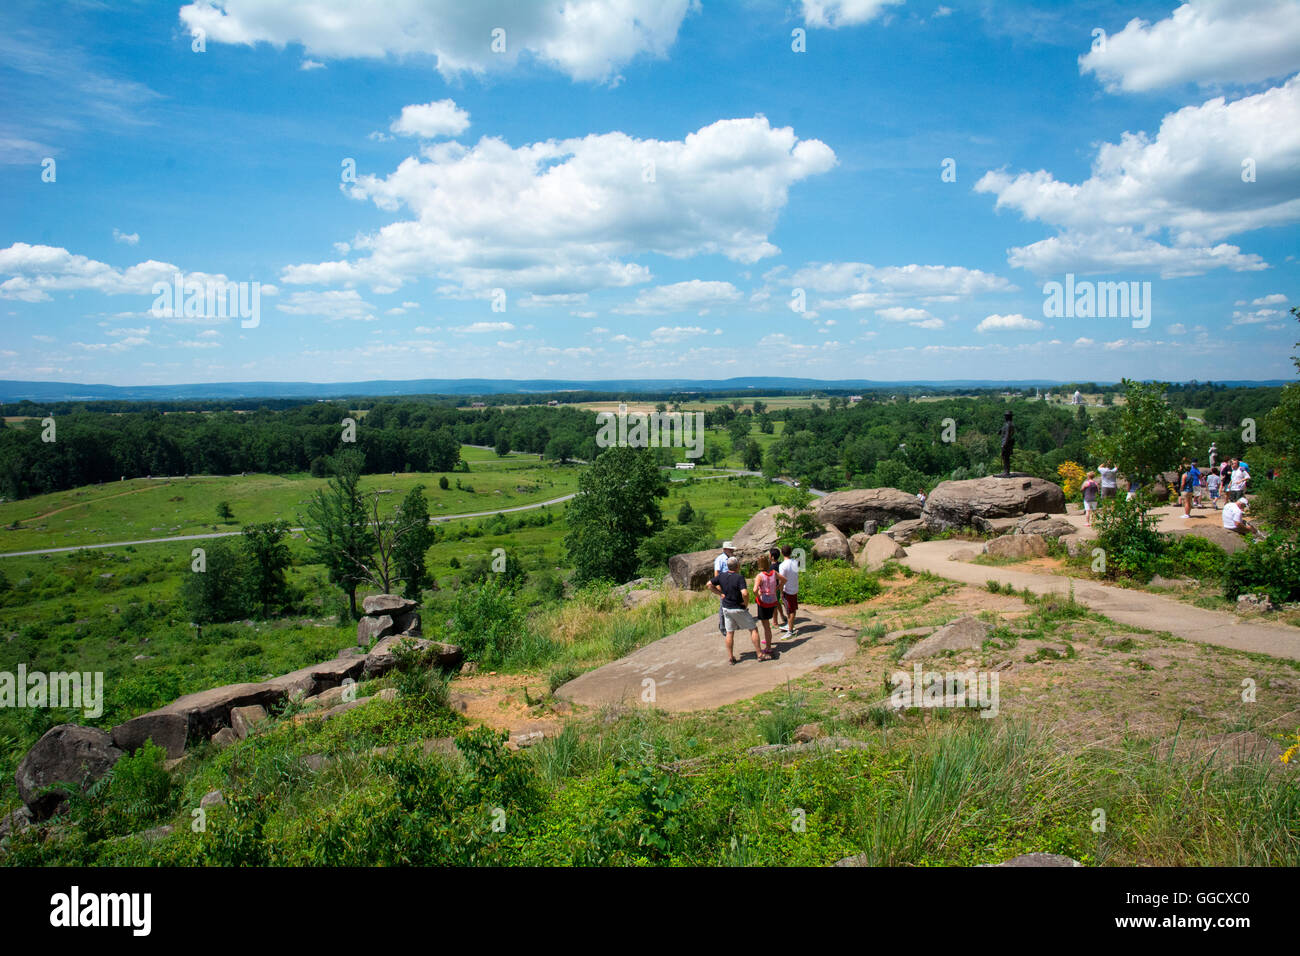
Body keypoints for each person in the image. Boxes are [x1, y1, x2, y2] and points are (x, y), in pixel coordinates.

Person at [707, 555, 767, 664]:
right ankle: (759, 654)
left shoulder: (721, 576)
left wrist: (720, 594)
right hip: (738, 608)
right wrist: (745, 603)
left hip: (726, 608)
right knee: (753, 629)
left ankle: (731, 657)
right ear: (737, 566)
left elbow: (709, 584)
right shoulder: (739, 578)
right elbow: (744, 593)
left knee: (729, 633)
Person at [752, 553, 782, 656]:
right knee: (768, 625)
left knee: (766, 626)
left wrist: (758, 596)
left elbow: (755, 589)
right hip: (773, 600)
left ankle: (768, 647)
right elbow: (784, 579)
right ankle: (768, 642)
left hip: (764, 602)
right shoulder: (774, 573)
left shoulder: (760, 576)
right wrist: (777, 587)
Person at [713, 541, 735, 641]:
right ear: (725, 549)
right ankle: (722, 626)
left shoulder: (731, 559)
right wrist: (718, 587)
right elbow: (716, 573)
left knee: (731, 603)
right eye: (730, 549)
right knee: (723, 605)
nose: (732, 551)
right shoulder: (720, 559)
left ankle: (730, 622)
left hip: (731, 584)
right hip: (723, 585)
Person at [778, 544, 800, 638]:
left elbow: (782, 579)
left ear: (782, 553)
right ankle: (790, 625)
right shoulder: (795, 562)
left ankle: (790, 631)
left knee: (790, 610)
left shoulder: (783, 565)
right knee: (792, 609)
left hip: (788, 590)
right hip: (794, 588)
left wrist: (781, 591)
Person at [768, 546, 786, 628]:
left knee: (774, 605)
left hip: (774, 588)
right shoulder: (780, 564)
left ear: (772, 557)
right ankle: (782, 615)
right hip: (778, 587)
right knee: (777, 603)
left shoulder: (772, 567)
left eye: (769, 554)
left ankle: (775, 622)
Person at [998, 411, 1015, 477]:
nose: (1004, 417)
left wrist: (1004, 444)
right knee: (1005, 457)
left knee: (1005, 457)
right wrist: (1000, 431)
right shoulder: (1009, 424)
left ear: (1008, 417)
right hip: (1008, 442)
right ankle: (1006, 471)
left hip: (1006, 443)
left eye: (1006, 416)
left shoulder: (1008, 424)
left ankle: (1006, 472)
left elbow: (1007, 435)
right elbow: (1005, 431)